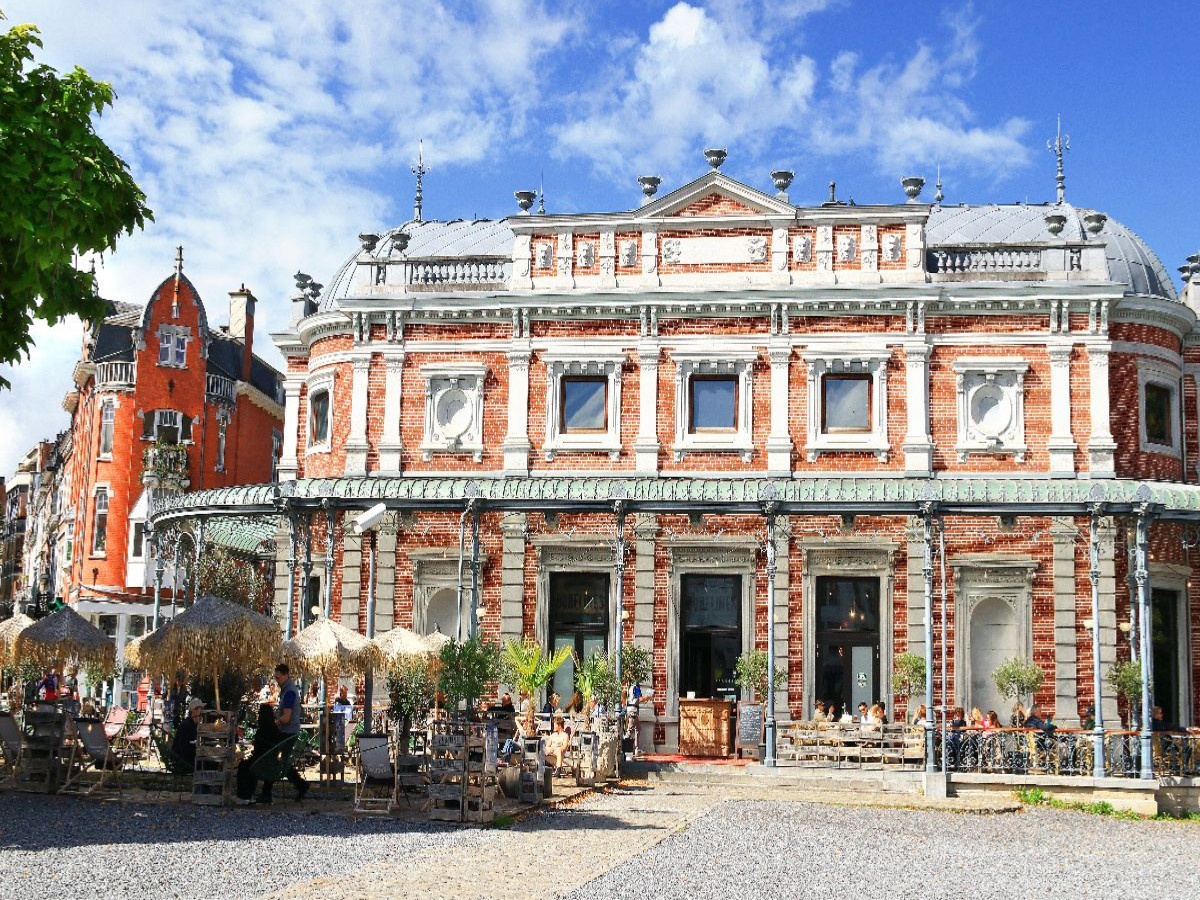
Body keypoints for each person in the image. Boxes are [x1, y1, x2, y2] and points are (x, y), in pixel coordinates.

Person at [260, 663, 309, 804]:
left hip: (287, 732)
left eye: (278, 677)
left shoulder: (289, 692)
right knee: (281, 762)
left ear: (285, 675)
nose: (277, 680)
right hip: (290, 731)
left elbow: (286, 718)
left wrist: (274, 723)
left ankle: (267, 793)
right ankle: (300, 785)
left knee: (273, 759)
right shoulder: (289, 690)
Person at [234, 703, 281, 803]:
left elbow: (258, 751)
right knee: (248, 764)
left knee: (243, 765)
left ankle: (244, 795)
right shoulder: (275, 729)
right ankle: (250, 794)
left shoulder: (262, 731)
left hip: (261, 762)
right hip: (272, 762)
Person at [172, 698, 204, 772]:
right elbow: (184, 749)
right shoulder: (186, 725)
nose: (202, 712)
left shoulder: (195, 725)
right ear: (194, 710)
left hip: (190, 756)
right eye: (200, 709)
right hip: (183, 760)